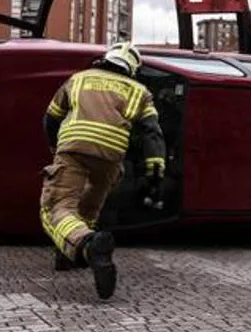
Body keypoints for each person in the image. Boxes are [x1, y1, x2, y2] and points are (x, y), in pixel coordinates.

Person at [39, 42, 166, 300]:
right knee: (86, 210)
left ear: (106, 59)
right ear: (132, 68)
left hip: (73, 149)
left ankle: (88, 247)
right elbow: (152, 133)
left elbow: (51, 118)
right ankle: (68, 256)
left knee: (55, 207)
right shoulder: (139, 91)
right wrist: (154, 172)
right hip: (110, 159)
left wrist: (55, 146)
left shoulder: (78, 79)